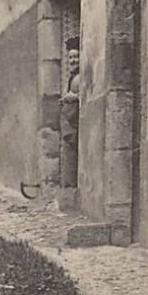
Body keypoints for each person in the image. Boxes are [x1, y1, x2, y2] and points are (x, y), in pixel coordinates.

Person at [59, 36, 81, 188]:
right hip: (69, 129)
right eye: (71, 57)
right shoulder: (72, 78)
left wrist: (74, 97)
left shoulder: (81, 77)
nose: (73, 60)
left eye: (76, 56)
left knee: (72, 162)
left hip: (75, 128)